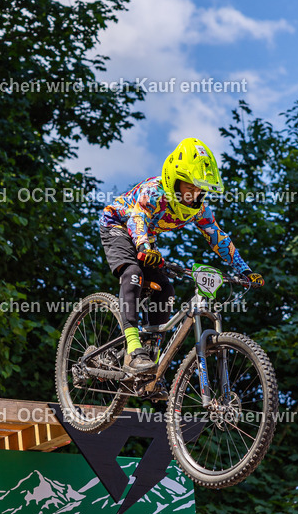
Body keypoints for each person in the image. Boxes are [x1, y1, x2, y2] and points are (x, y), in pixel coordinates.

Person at [98, 137, 264, 373]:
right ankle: (133, 349)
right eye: (189, 187)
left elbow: (217, 237)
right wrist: (145, 248)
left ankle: (150, 362)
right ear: (173, 181)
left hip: (146, 237)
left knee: (166, 290)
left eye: (199, 190)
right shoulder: (154, 192)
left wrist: (245, 270)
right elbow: (137, 220)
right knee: (132, 273)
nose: (193, 194)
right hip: (118, 225)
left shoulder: (200, 209)